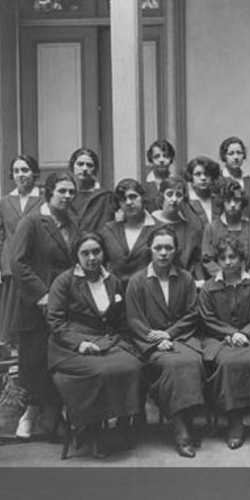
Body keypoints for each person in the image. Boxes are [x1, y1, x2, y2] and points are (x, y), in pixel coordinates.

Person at [47, 232, 143, 458]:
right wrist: (79, 343)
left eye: (96, 252)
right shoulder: (64, 281)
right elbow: (56, 321)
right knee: (101, 372)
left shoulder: (113, 281)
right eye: (85, 253)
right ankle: (92, 429)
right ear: (77, 256)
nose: (92, 257)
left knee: (134, 366)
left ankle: (120, 424)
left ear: (104, 253)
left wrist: (123, 343)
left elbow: (120, 321)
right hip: (69, 346)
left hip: (106, 342)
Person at [125, 227, 205, 458]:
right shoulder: (137, 282)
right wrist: (155, 341)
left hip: (180, 338)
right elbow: (134, 320)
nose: (163, 253)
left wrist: (170, 333)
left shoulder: (185, 278)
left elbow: (192, 314)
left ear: (176, 250)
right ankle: (182, 429)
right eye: (158, 247)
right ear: (149, 249)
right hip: (150, 344)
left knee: (193, 362)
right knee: (172, 366)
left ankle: (187, 420)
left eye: (168, 248)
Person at [11, 172, 80, 439]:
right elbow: (18, 263)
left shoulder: (73, 223)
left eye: (71, 192)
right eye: (62, 191)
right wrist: (42, 295)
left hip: (65, 304)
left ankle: (53, 416)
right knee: (33, 360)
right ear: (49, 192)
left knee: (57, 360)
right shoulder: (32, 221)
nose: (67, 196)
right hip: (36, 305)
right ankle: (29, 415)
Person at [198, 238, 250, 450]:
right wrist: (230, 334)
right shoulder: (209, 288)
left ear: (241, 258)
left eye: (233, 257)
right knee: (227, 363)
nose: (228, 262)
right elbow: (207, 320)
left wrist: (244, 333)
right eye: (223, 258)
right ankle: (234, 420)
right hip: (218, 339)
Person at [0, 155, 42, 357]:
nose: (20, 175)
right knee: (11, 315)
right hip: (10, 266)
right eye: (16, 171)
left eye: (25, 170)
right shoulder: (5, 202)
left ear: (34, 173)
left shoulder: (43, 200)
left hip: (34, 264)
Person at [201, 179, 250, 282]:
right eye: (228, 200)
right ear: (222, 202)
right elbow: (207, 259)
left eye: (236, 200)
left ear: (242, 201)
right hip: (221, 285)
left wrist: (247, 279)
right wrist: (223, 277)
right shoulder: (211, 228)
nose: (232, 204)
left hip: (248, 284)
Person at [101, 179, 162, 286]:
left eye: (133, 197)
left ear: (143, 198)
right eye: (123, 199)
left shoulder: (160, 229)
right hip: (116, 296)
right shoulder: (109, 230)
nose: (128, 203)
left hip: (148, 293)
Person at [151, 176, 204, 280]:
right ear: (162, 196)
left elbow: (197, 262)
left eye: (179, 195)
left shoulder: (193, 231)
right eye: (169, 194)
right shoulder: (149, 224)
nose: (174, 199)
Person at [69, 148, 115, 232]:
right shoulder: (66, 195)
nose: (84, 168)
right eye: (80, 164)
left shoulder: (105, 197)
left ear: (95, 169)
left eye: (89, 165)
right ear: (72, 166)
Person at [218, 136, 250, 220]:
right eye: (231, 153)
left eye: (239, 153)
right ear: (224, 156)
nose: (236, 157)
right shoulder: (217, 180)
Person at [182, 155, 222, 230]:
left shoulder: (219, 202)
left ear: (212, 177)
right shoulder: (184, 202)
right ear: (191, 177)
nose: (203, 178)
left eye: (206, 174)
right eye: (198, 174)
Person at [143, 139, 176, 212]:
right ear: (151, 159)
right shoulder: (143, 186)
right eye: (157, 156)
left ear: (171, 159)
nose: (161, 160)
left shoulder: (178, 183)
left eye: (166, 156)